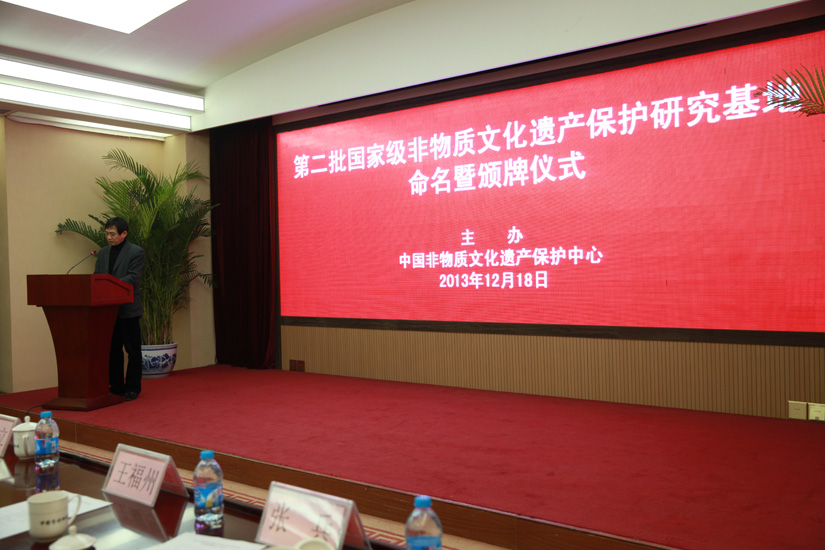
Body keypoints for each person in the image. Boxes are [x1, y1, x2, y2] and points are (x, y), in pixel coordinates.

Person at [94, 217, 145, 401]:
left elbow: (132, 277)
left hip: (128, 308)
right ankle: (116, 386)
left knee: (132, 350)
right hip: (108, 310)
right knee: (113, 349)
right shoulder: (103, 253)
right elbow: (97, 277)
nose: (109, 237)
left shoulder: (136, 252)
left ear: (124, 234)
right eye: (107, 233)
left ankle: (133, 388)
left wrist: (109, 285)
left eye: (112, 234)